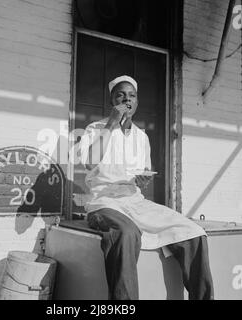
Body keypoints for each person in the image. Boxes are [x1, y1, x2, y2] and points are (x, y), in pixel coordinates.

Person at [78, 75, 214, 300]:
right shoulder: (95, 128)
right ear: (112, 99)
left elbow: (143, 172)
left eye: (132, 95)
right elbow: (91, 162)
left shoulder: (142, 137)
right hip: (104, 202)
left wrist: (144, 181)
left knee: (194, 232)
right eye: (120, 95)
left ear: (137, 102)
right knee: (126, 233)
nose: (126, 99)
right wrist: (112, 122)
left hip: (135, 200)